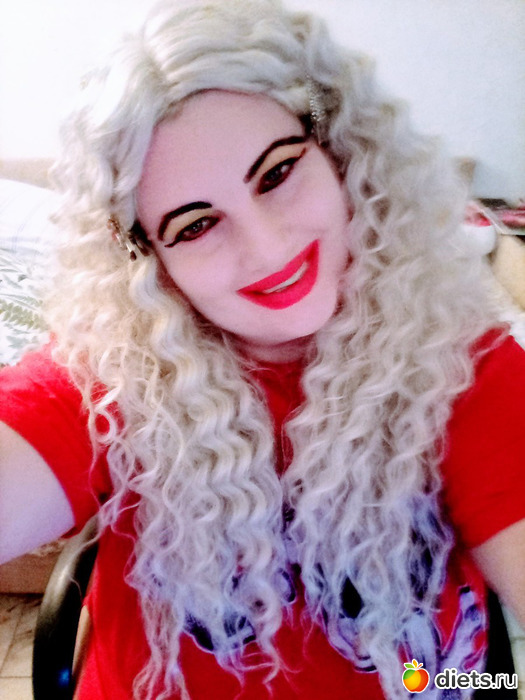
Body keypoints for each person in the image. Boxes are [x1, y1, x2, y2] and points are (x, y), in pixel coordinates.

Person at [1, 1, 524, 698]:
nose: (267, 247)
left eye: (276, 174)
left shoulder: (463, 368)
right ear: (148, 259)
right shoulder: (116, 377)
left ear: (342, 155)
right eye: (195, 225)